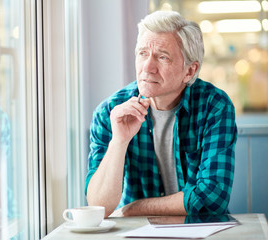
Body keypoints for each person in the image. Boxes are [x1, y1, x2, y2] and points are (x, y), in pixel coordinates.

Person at [85, 11, 237, 218]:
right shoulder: (109, 112)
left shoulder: (214, 106)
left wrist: (135, 208)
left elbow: (212, 198)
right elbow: (99, 205)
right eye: (142, 54)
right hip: (137, 231)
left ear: (189, 71)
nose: (147, 67)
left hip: (201, 229)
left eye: (162, 57)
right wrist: (119, 141)